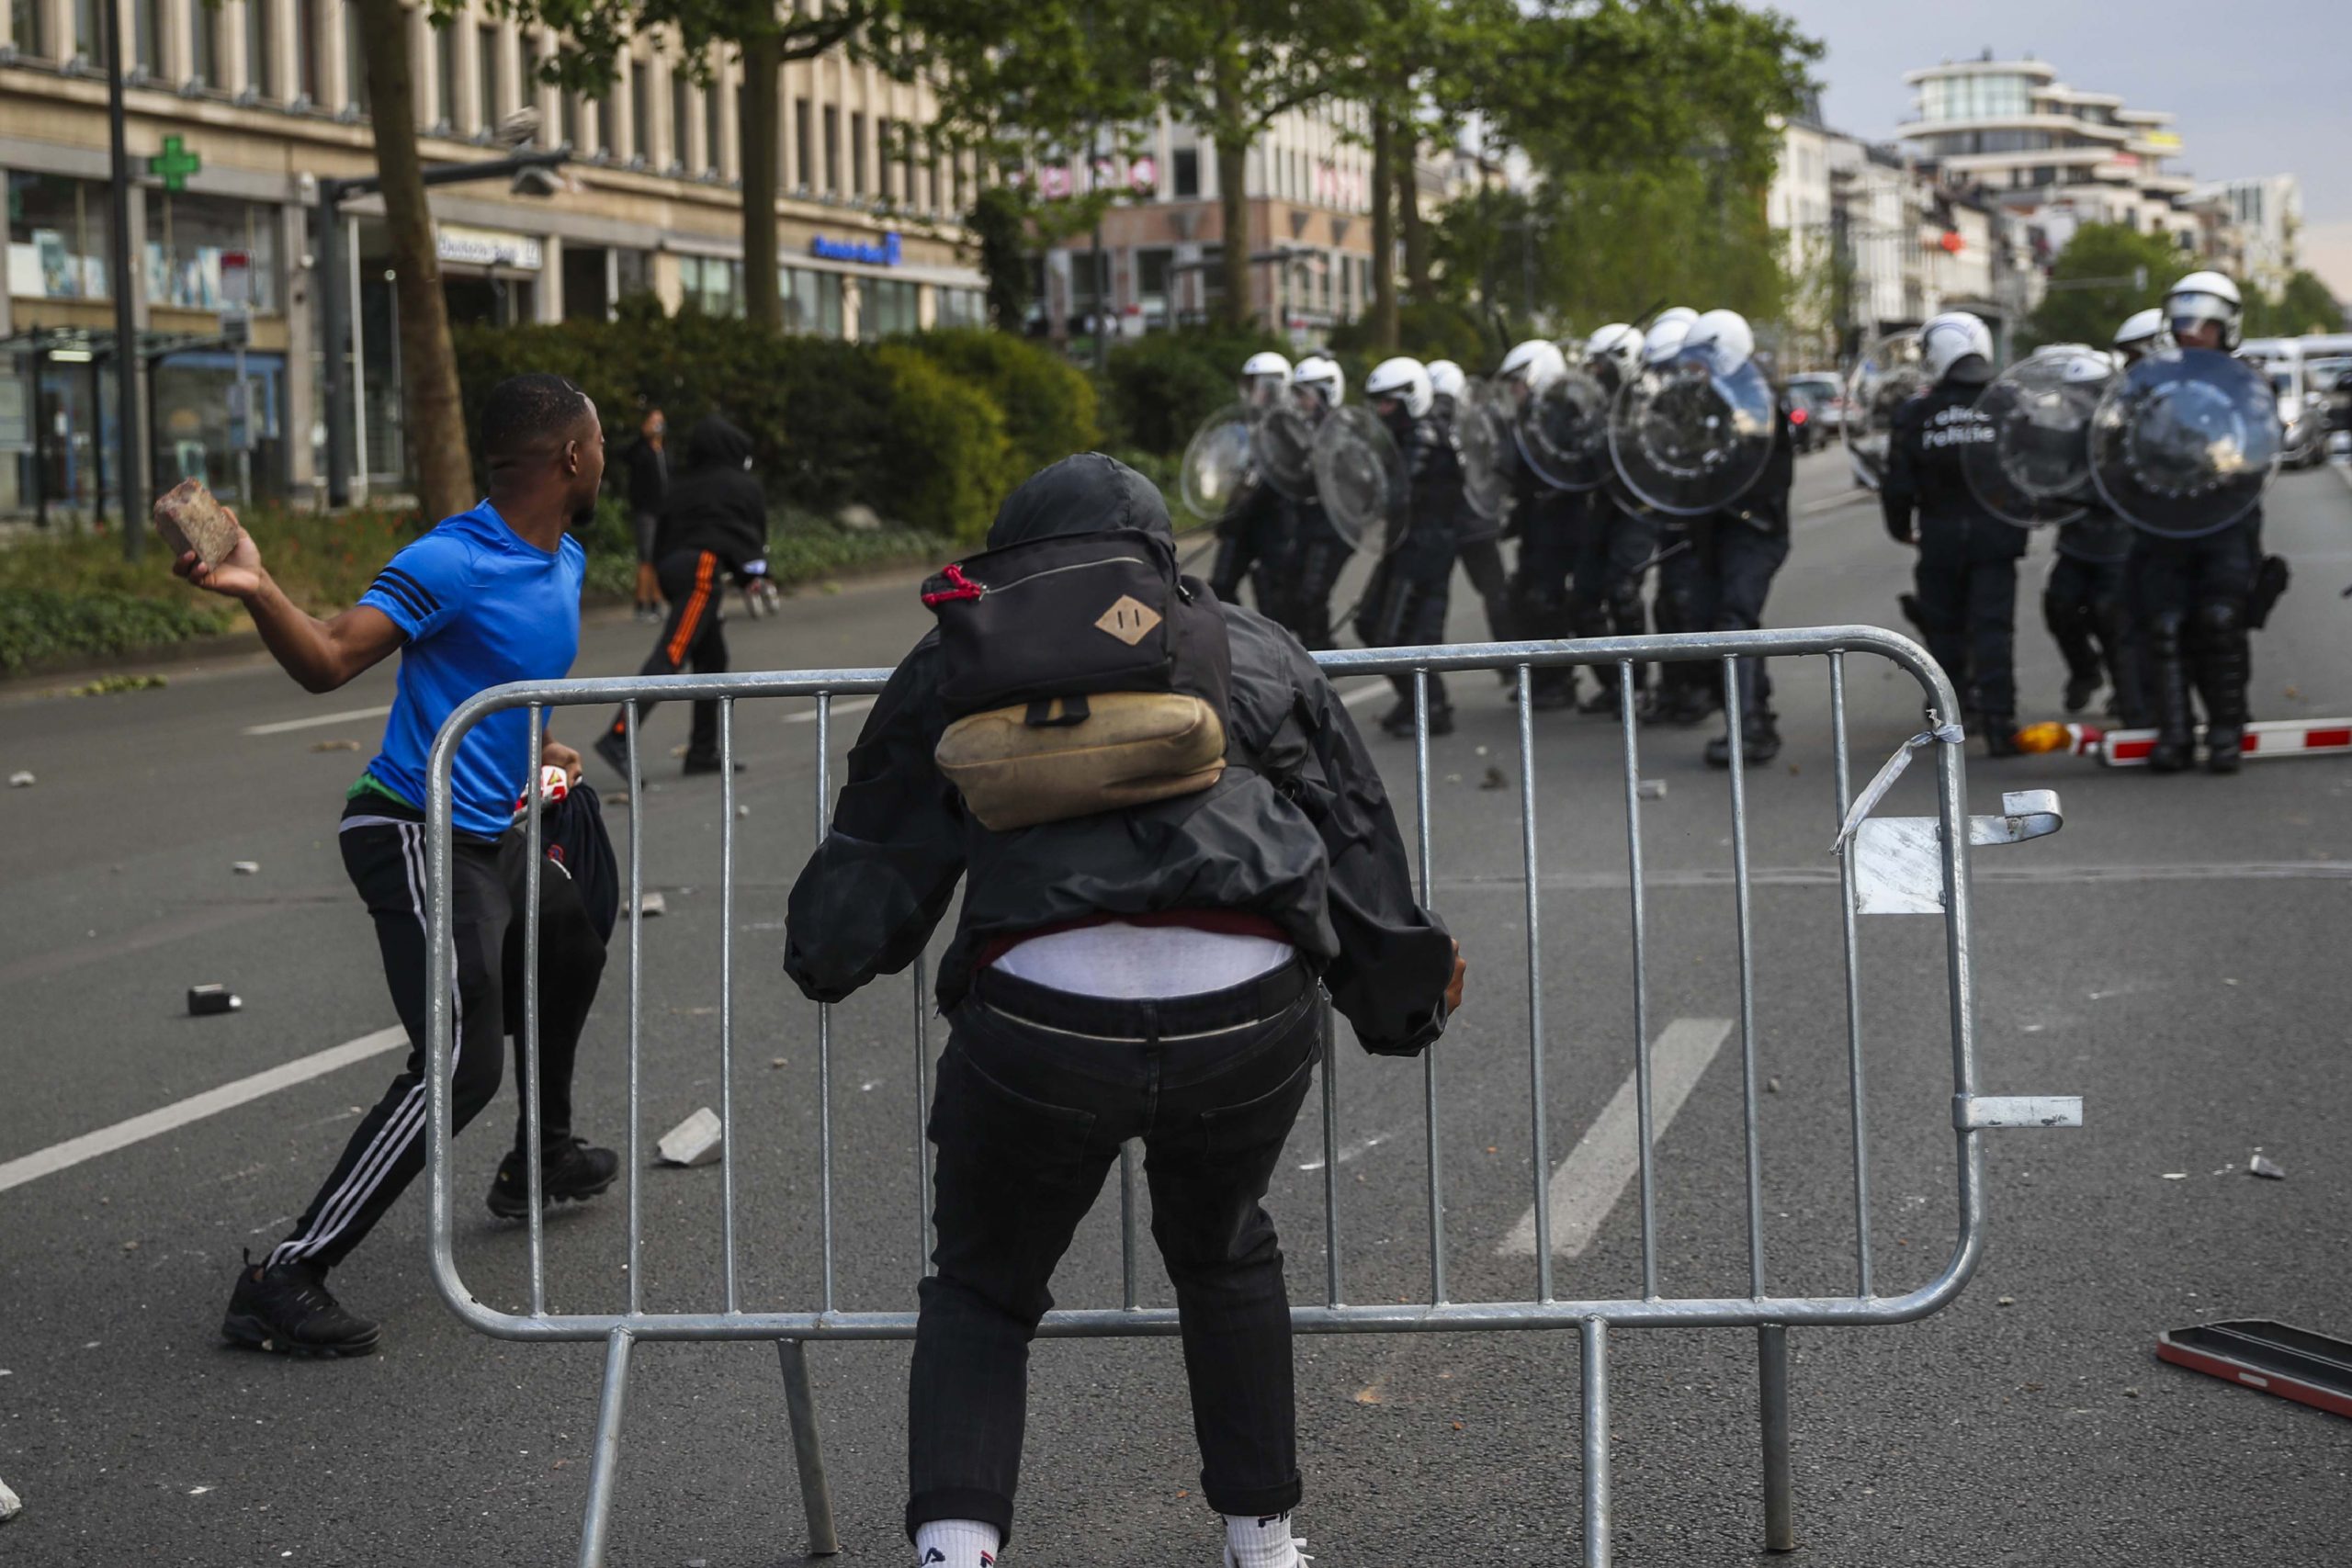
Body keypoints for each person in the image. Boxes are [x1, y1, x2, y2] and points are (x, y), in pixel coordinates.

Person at [783, 453, 1464, 1568]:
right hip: (1244, 1009)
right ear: (1158, 548)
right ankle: (1264, 1544)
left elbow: (871, 867)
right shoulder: (1248, 643)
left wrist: (826, 953)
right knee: (1223, 1248)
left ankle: (956, 1554)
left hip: (1037, 1021)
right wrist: (1399, 1000)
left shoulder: (962, 652)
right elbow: (1350, 837)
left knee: (984, 1289)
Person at [175, 374, 619, 1355]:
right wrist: (257, 588)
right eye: (601, 443)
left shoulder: (565, 556)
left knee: (573, 941)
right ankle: (284, 1276)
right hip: (411, 828)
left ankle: (538, 1158)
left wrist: (534, 742)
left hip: (494, 822)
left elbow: (499, 676)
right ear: (574, 459)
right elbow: (330, 657)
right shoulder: (453, 558)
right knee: (461, 1062)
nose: (606, 457)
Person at [2125, 272, 2270, 773]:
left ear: (2226, 327)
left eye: (2204, 324)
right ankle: (2175, 734)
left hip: (2227, 520)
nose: (2192, 333)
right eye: (2184, 323)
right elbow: (2120, 440)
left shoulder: (2247, 379)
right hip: (2162, 521)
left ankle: (2228, 731)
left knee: (2221, 622)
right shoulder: (2149, 378)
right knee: (2164, 626)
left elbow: (2257, 443)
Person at [1881, 310, 2023, 757]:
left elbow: (1897, 482)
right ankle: (2001, 722)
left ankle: (1950, 718)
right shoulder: (2009, 405)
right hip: (1996, 537)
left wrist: (1901, 527)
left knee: (1944, 630)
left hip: (1940, 537)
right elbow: (2032, 470)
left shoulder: (1916, 412)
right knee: (1992, 628)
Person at [595, 414, 767, 780]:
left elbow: (670, 533)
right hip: (701, 572)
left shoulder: (682, 484)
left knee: (713, 658)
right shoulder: (739, 484)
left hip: (672, 570)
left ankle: (702, 752)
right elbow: (747, 537)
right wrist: (754, 573)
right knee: (673, 652)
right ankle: (618, 735)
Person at [1669, 311, 1795, 767]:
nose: (1694, 371)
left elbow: (1765, 475)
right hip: (1714, 534)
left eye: (1702, 361)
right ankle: (1755, 717)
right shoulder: (1704, 405)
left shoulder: (1760, 405)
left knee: (1734, 621)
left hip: (1754, 531)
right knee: (1706, 621)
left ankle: (1747, 730)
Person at [1353, 356, 1466, 737]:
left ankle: (1433, 707)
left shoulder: (1424, 436)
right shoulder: (1402, 436)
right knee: (1370, 624)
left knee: (1408, 635)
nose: (1382, 411)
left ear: (1409, 398)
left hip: (1427, 549)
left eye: (1388, 402)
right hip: (1403, 545)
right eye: (1378, 403)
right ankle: (1414, 700)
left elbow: (1396, 491)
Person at [2041, 334, 2153, 722]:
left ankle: (2128, 697)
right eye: (2073, 393)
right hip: (2075, 542)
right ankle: (2085, 671)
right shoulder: (2064, 434)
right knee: (2059, 606)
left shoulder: (2127, 430)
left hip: (2118, 544)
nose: (2077, 400)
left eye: (2085, 392)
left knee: (2113, 616)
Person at [1567, 323, 1657, 714]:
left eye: (1602, 364)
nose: (1596, 372)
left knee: (1623, 592)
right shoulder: (1598, 406)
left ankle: (1637, 686)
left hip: (1638, 509)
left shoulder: (1649, 400)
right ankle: (1611, 683)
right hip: (1602, 508)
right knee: (1582, 598)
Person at [1496, 338, 1587, 710]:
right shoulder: (1527, 417)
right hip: (1536, 524)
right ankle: (1540, 675)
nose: (1513, 391)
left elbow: (1561, 468)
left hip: (1561, 525)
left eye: (1518, 381)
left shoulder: (1561, 413)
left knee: (1547, 601)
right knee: (1522, 597)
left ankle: (1560, 680)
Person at [1429, 358, 1514, 646]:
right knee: (1437, 600)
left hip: (1468, 520)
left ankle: (1509, 660)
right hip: (1464, 521)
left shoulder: (1473, 420)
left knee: (1493, 593)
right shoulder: (1478, 417)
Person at [1207, 351, 1297, 621]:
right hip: (1240, 521)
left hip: (1274, 523)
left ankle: (1278, 651)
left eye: (1258, 384)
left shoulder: (1290, 425)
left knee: (1271, 599)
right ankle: (1240, 639)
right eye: (1249, 384)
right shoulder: (1244, 423)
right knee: (1220, 588)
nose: (1252, 392)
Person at [1283, 355, 1352, 649]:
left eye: (1306, 393)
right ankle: (1323, 650)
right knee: (1291, 596)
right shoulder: (1302, 426)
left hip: (1332, 527)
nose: (1300, 401)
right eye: (1297, 393)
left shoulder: (1343, 427)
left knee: (1312, 595)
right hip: (1307, 524)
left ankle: (1324, 658)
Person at [621, 404, 670, 620]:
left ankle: (657, 601)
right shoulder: (640, 451)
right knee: (647, 557)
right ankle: (641, 603)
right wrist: (643, 438)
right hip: (646, 511)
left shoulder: (665, 452)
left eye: (660, 421)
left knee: (660, 557)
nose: (658, 426)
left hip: (664, 511)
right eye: (653, 421)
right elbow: (627, 455)